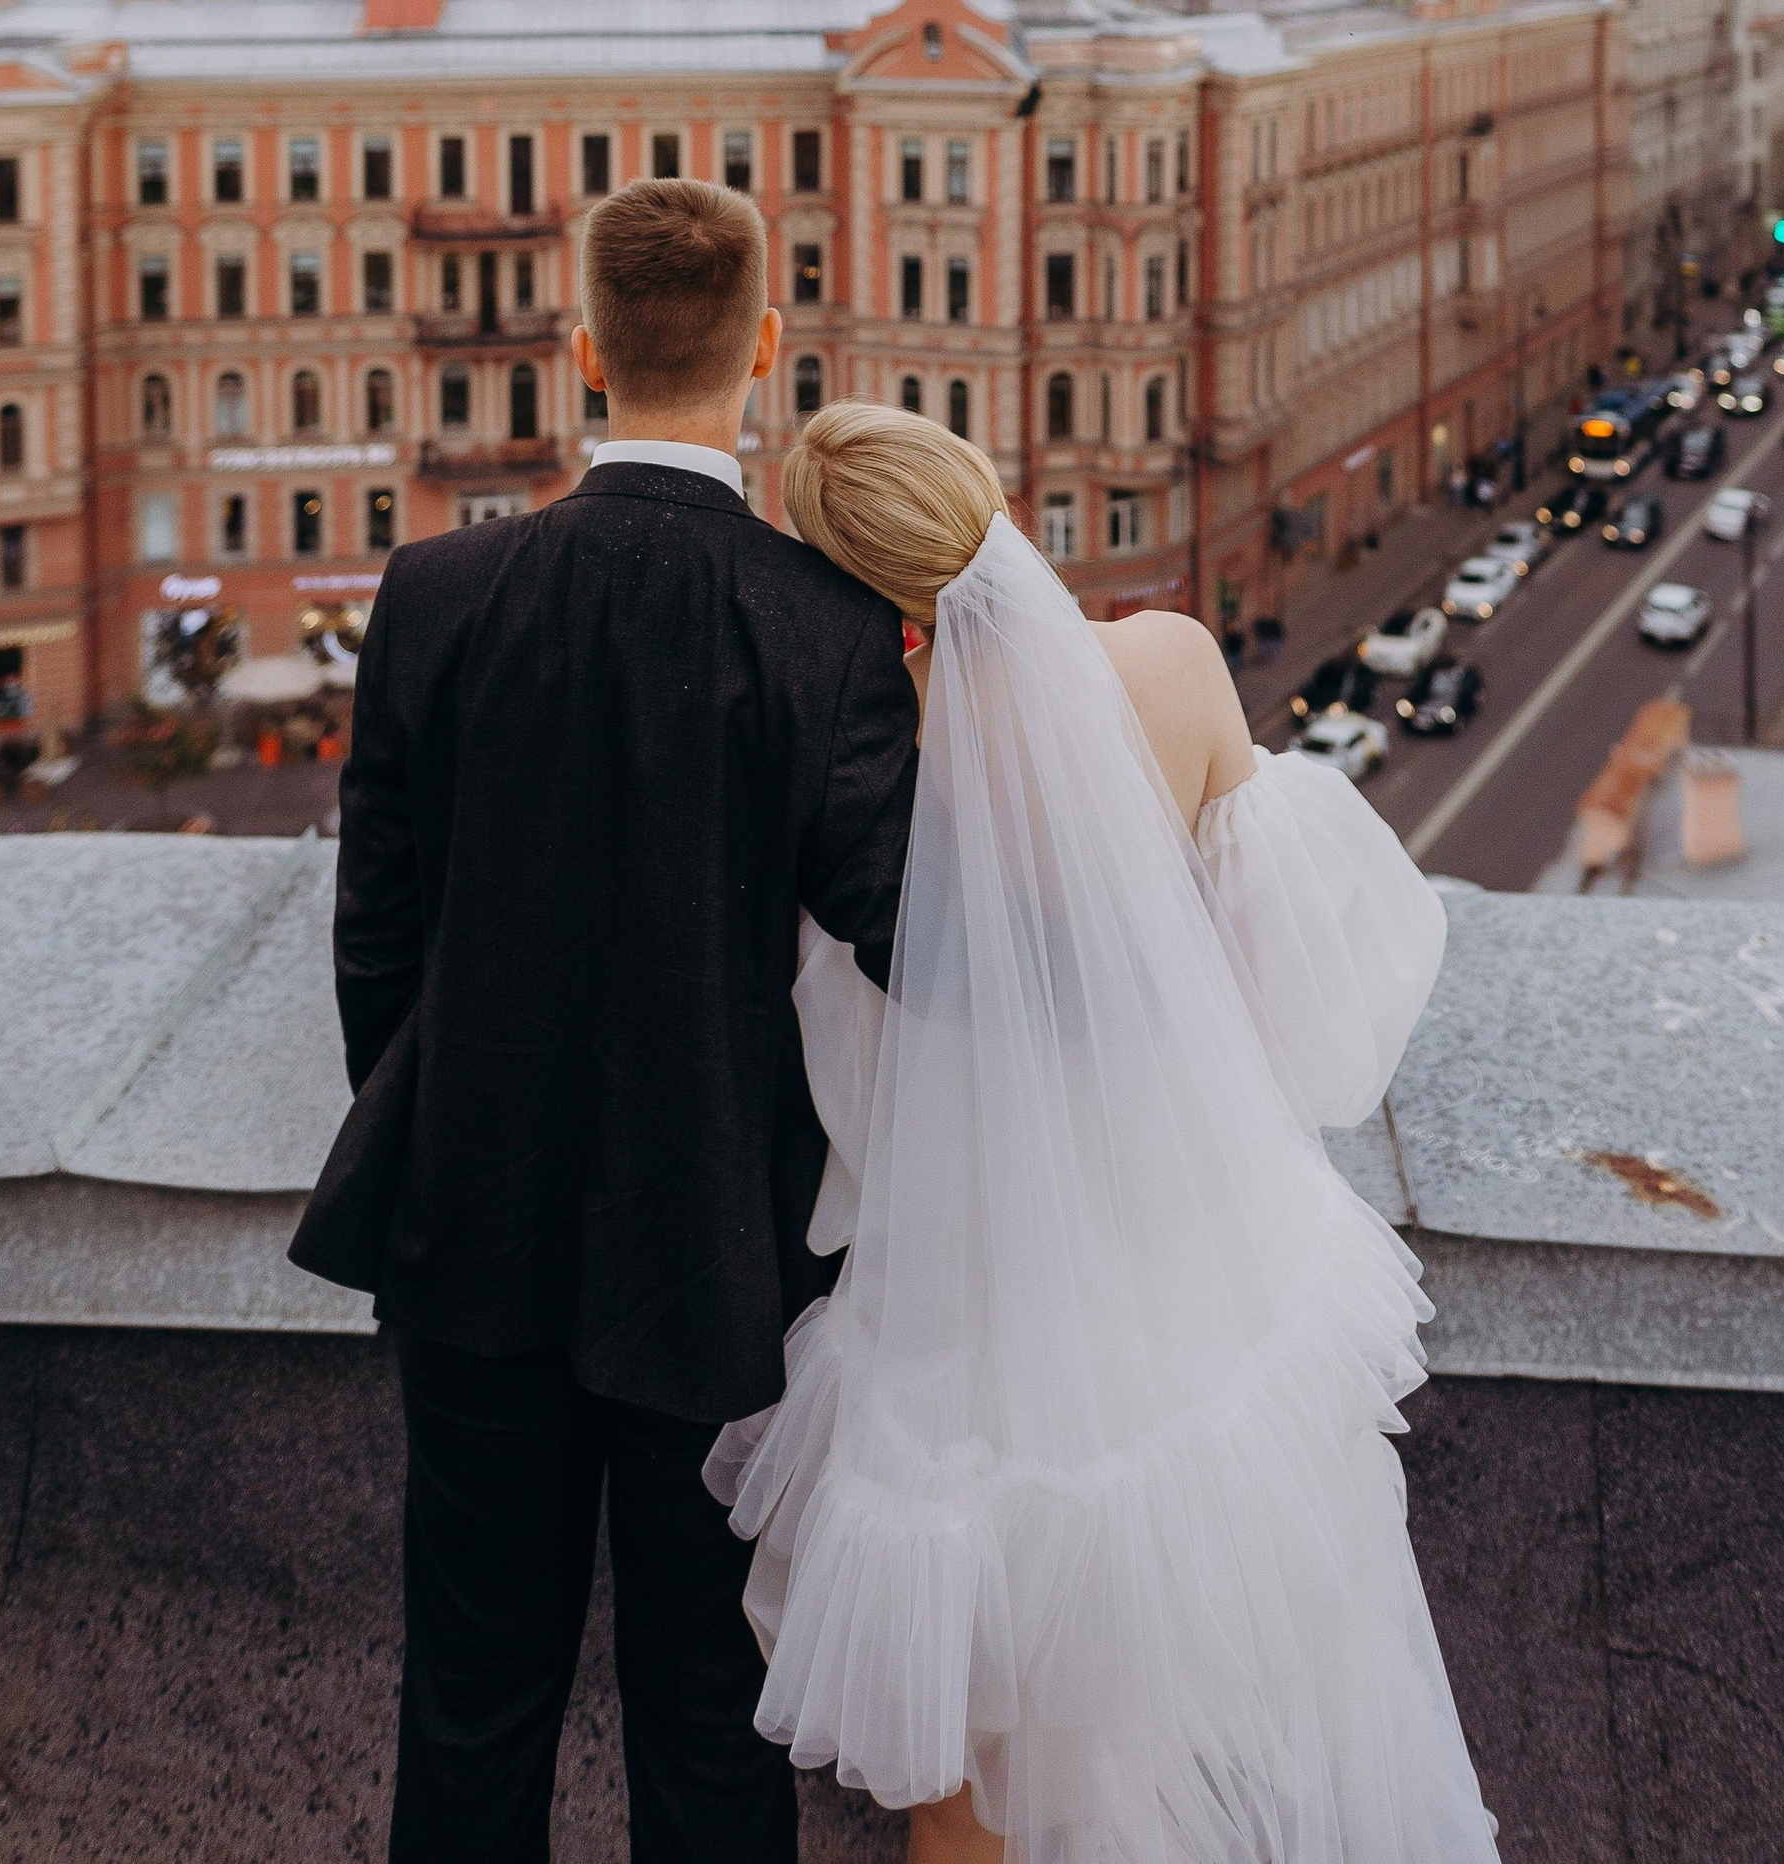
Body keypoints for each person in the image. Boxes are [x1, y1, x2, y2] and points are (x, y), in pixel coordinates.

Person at [709, 401, 1494, 1864]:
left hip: (966, 1338)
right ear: (989, 506)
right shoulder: (1178, 666)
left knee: (967, 1801)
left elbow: (845, 1132)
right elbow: (1311, 1021)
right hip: (1202, 1302)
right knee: (1268, 1732)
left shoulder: (848, 789)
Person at [298, 180, 918, 1864]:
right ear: (765, 354)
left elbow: (381, 936)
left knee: (473, 1699)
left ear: (583, 352)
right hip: (724, 1263)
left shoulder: (436, 592)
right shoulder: (833, 632)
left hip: (473, 1233)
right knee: (714, 1725)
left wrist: (442, 1146)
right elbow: (920, 943)